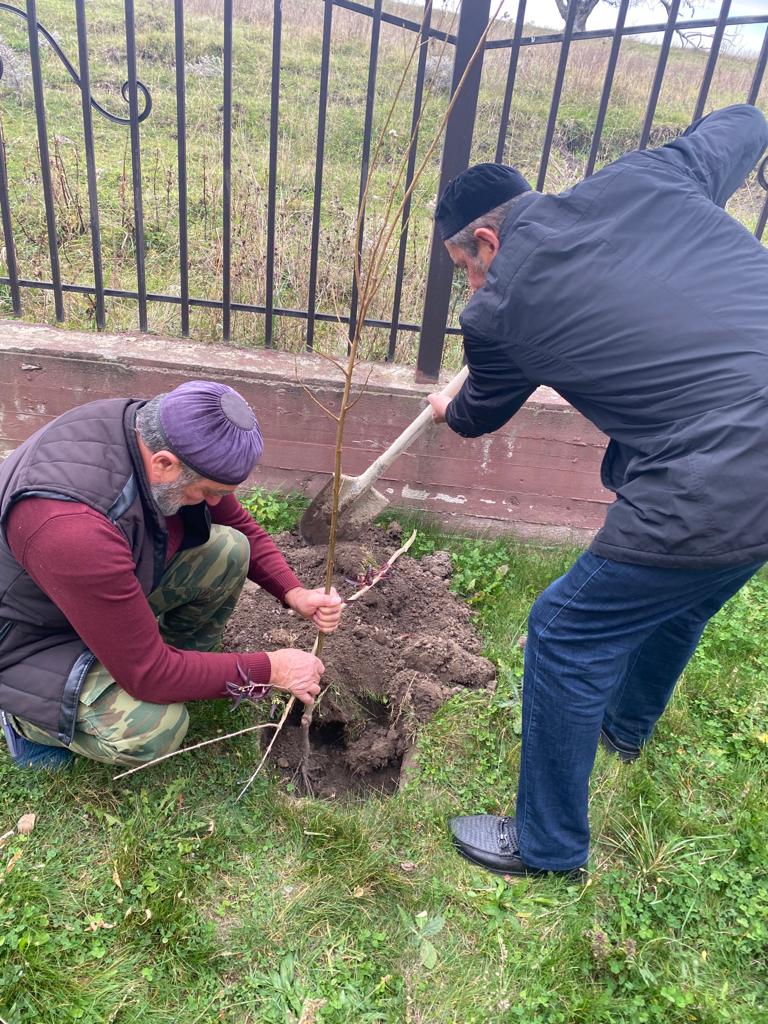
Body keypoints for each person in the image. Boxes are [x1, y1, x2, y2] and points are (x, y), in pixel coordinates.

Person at [427, 103, 768, 880]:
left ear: (486, 240)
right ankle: (625, 725)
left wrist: (450, 403)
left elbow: (479, 414)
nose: (472, 287)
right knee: (680, 596)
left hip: (723, 471)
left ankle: (547, 846)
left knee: (565, 633)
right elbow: (746, 121)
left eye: (466, 271)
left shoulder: (501, 306)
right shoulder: (647, 176)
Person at [0, 380, 342, 769]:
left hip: (85, 593)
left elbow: (239, 524)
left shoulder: (153, 431)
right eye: (207, 492)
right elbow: (148, 674)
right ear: (164, 463)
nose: (215, 502)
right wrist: (272, 669)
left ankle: (180, 666)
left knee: (229, 550)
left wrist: (293, 592)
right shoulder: (71, 528)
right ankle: (25, 719)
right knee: (153, 727)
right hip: (26, 638)